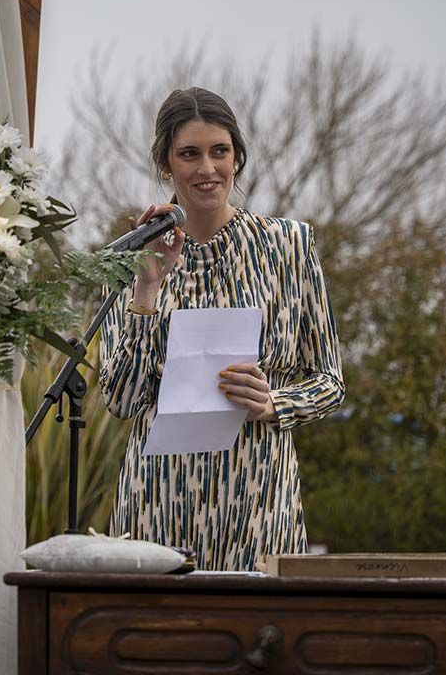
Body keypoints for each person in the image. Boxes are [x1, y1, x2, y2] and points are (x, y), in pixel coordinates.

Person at [100, 86, 346, 571]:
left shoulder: (289, 246)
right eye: (189, 154)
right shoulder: (129, 256)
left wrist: (275, 402)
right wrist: (146, 292)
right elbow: (121, 400)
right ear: (166, 164)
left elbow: (330, 382)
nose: (207, 169)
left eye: (220, 152)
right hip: (156, 499)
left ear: (237, 156)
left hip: (258, 498)